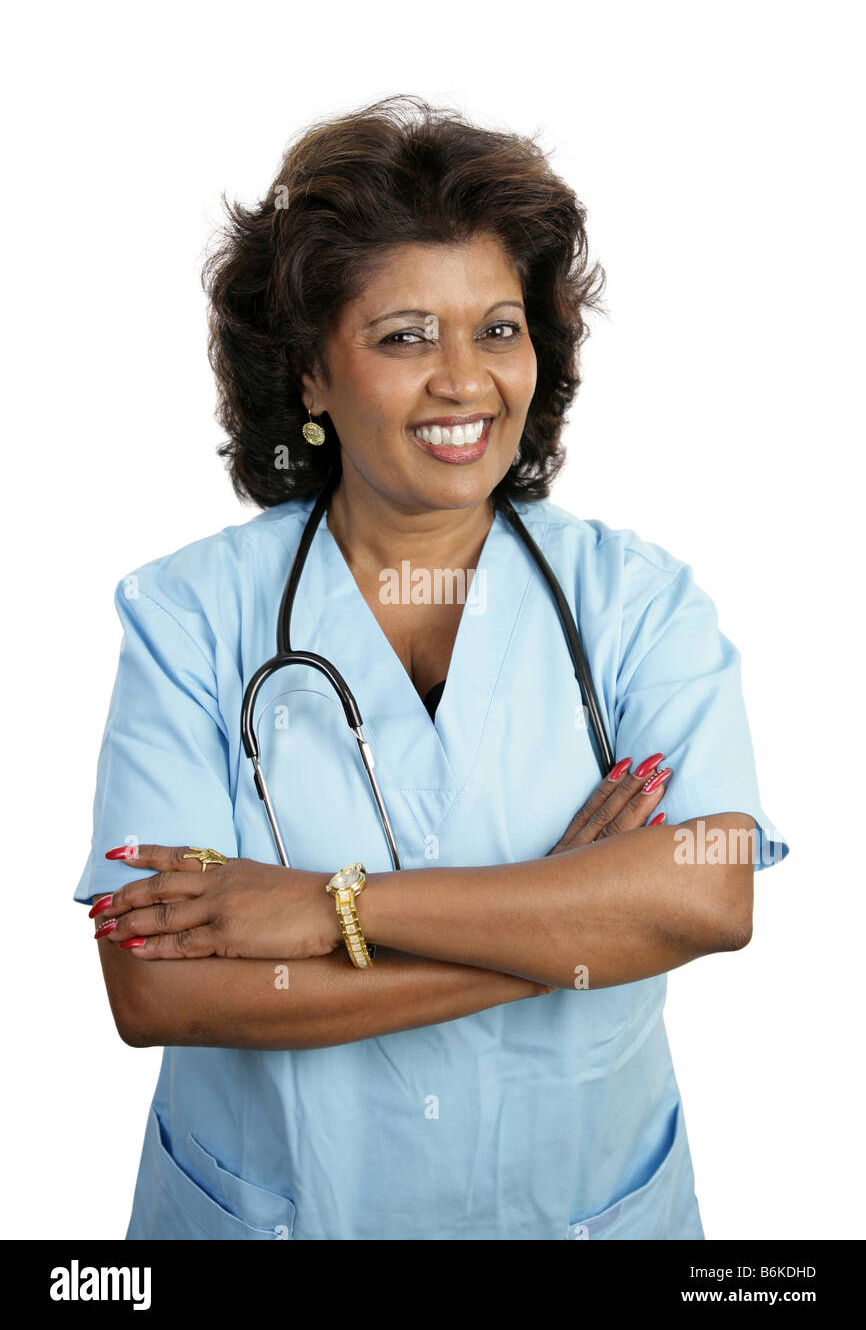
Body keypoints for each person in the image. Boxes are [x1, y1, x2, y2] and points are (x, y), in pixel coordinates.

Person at [77, 93, 787, 1241]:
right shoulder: (189, 615)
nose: (464, 381)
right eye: (404, 336)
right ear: (309, 374)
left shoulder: (636, 602)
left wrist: (325, 910)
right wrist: (567, 935)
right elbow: (159, 989)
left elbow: (707, 894)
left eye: (496, 329)